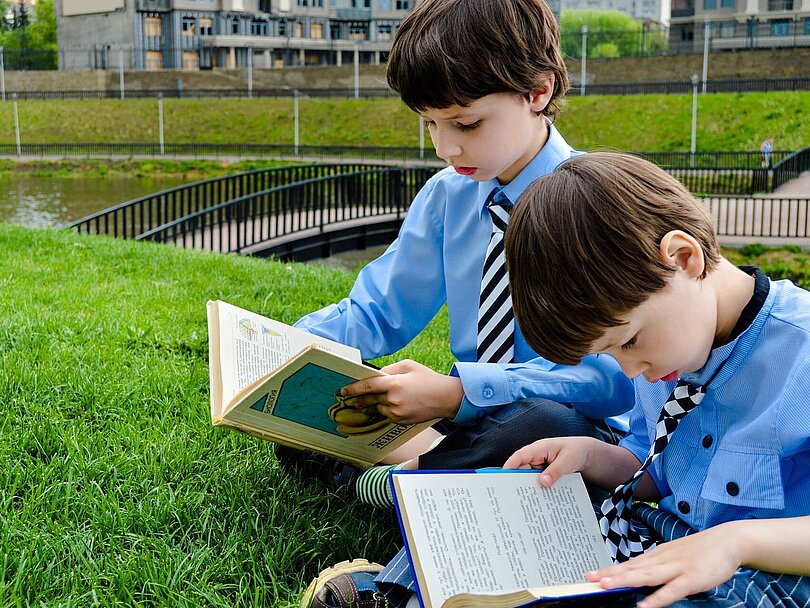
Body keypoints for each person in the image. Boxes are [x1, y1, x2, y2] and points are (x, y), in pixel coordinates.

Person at [283, 0, 633, 511]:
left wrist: (457, 392)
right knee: (327, 396)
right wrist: (291, 346)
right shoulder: (448, 195)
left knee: (539, 424)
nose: (445, 148)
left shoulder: (598, 205)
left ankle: (387, 482)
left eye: (465, 125)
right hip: (468, 411)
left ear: (538, 91)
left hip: (569, 425)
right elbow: (379, 311)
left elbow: (616, 379)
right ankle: (431, 476)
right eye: (429, 124)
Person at [497, 152, 810, 607]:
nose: (629, 369)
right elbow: (656, 470)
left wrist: (736, 542)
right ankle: (387, 586)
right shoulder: (666, 356)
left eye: (629, 341)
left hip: (770, 578)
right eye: (608, 352)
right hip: (667, 542)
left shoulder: (801, 353)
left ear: (684, 259)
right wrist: (592, 456)